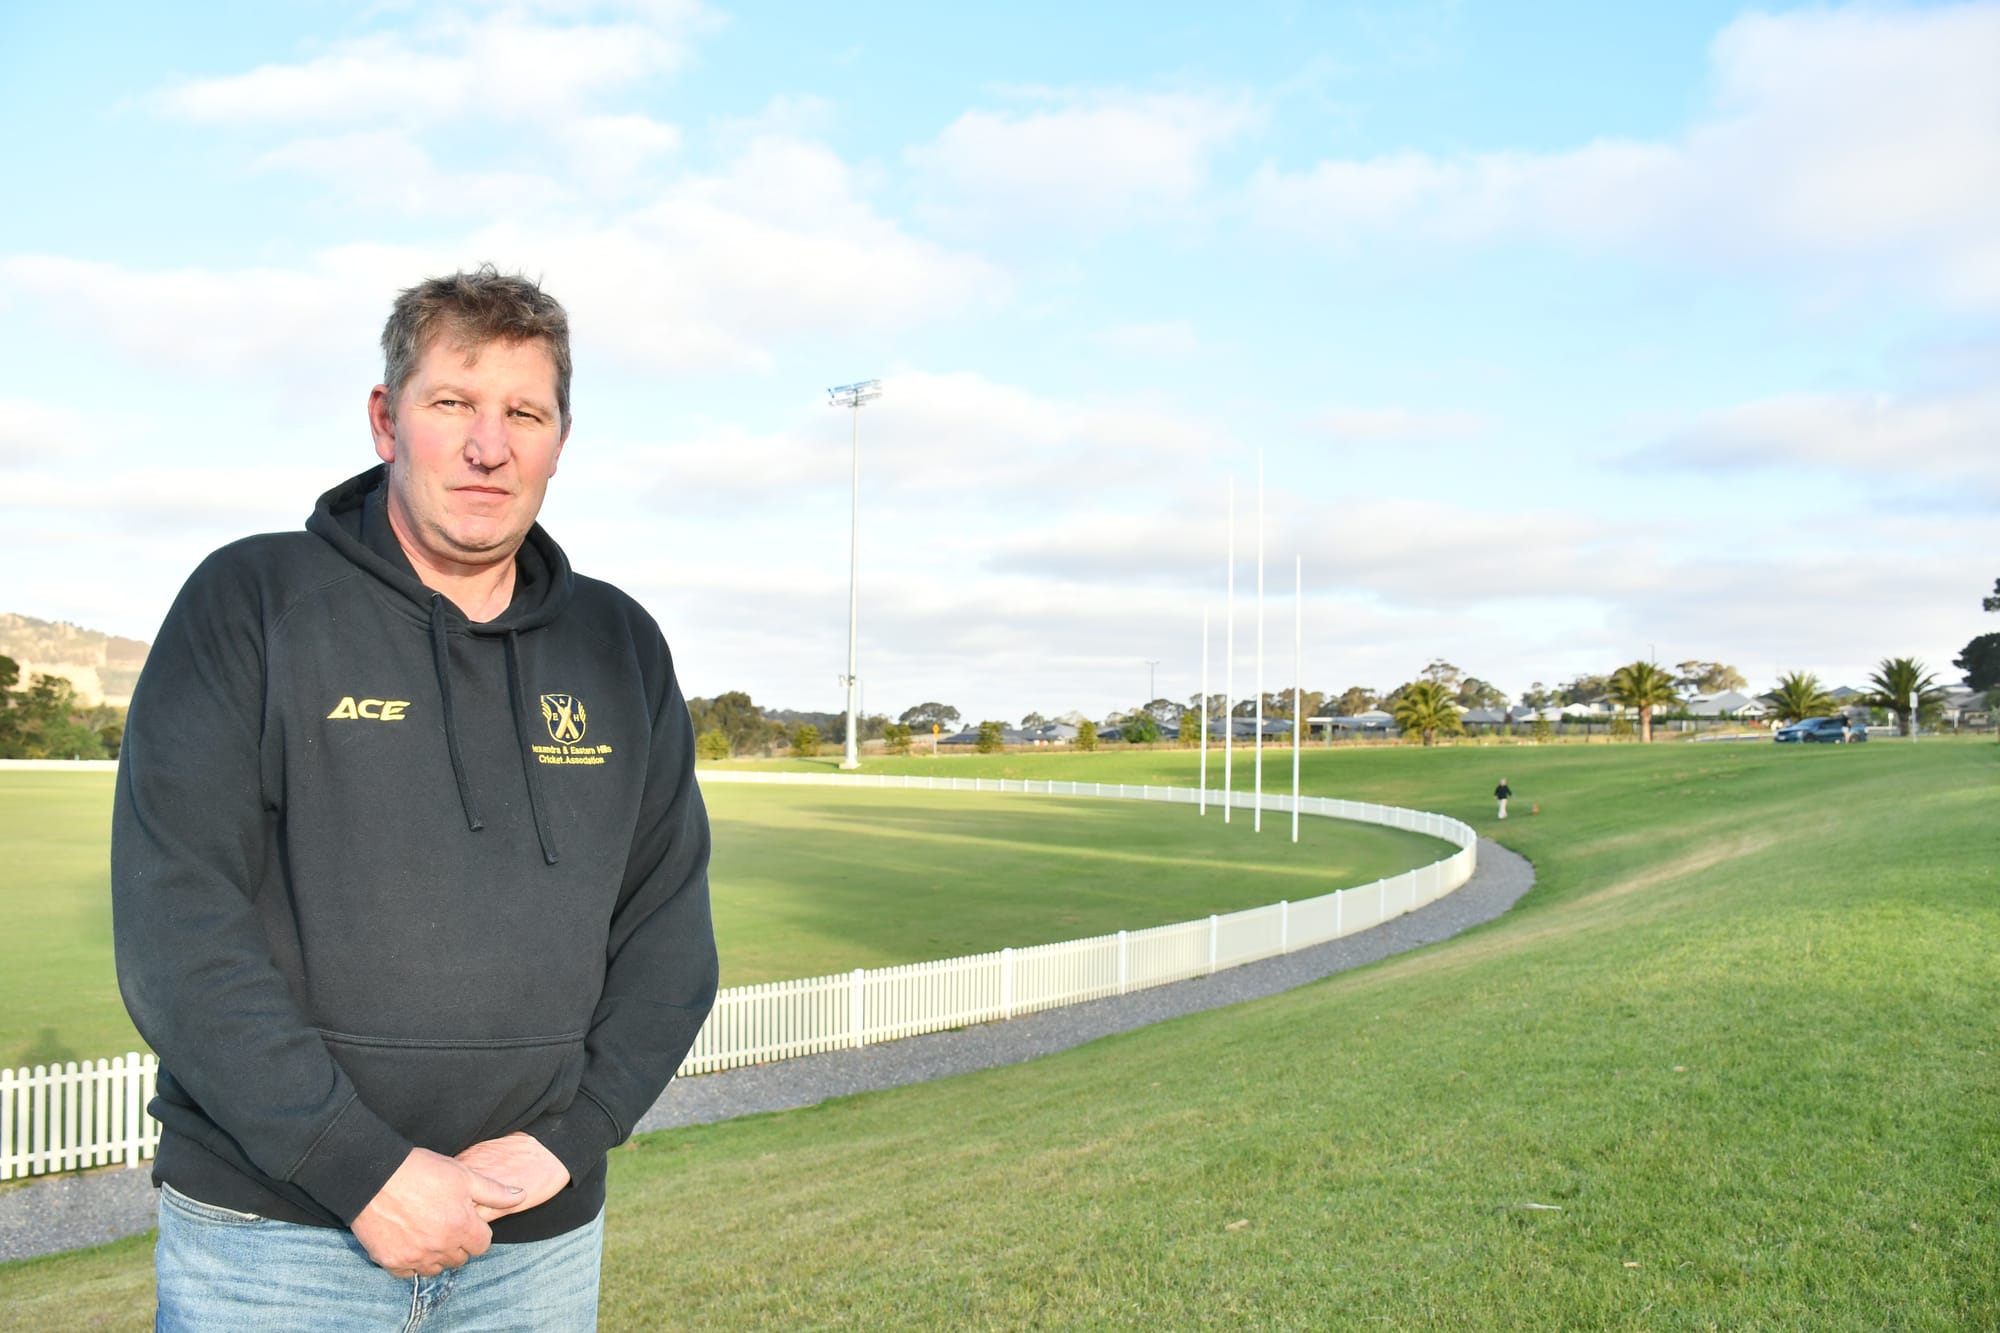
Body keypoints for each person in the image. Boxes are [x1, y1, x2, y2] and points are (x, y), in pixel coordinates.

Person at [112, 265, 718, 1329]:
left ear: (560, 440)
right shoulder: (252, 601)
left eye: (523, 412)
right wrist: (357, 1167)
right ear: (387, 419)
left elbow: (667, 932)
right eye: (453, 404)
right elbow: (177, 929)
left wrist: (573, 1139)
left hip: (532, 1243)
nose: (490, 446)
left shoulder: (618, 645)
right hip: (276, 1244)